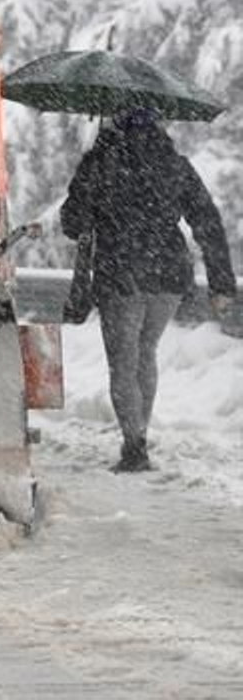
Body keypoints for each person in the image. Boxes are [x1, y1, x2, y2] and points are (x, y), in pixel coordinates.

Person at [60, 107, 236, 472]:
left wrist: (92, 170)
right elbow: (207, 220)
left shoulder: (102, 162)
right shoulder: (175, 164)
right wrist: (221, 282)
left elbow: (72, 223)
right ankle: (139, 435)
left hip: (121, 274)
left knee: (124, 362)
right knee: (146, 353)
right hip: (168, 275)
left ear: (116, 123)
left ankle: (134, 445)